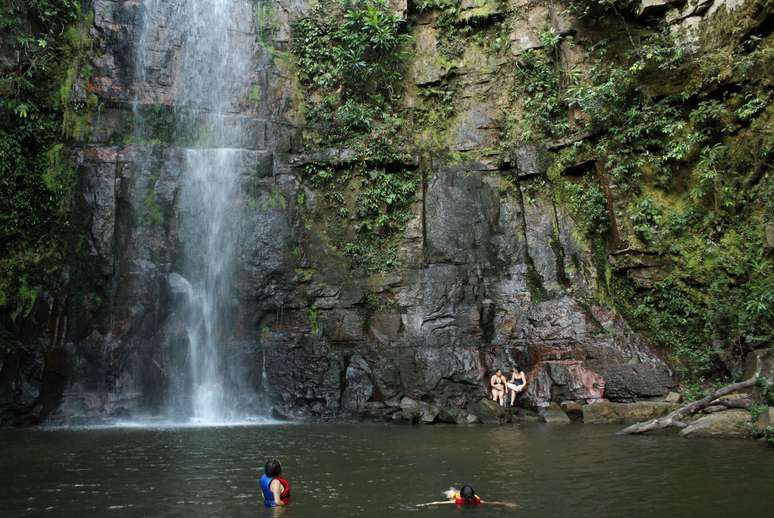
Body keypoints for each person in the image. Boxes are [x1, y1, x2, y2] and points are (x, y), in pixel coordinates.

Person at [416, 486, 516, 508]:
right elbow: (438, 502)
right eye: (468, 499)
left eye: (471, 498)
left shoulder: (475, 500)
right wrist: (424, 504)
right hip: (453, 495)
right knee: (450, 492)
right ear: (463, 498)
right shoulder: (456, 500)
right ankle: (453, 490)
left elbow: (491, 502)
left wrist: (506, 504)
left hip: (461, 493)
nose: (470, 500)